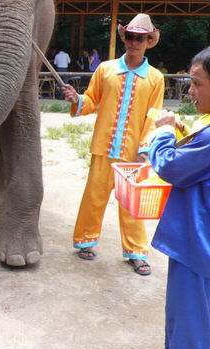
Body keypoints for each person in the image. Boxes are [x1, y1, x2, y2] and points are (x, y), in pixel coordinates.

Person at [61, 13, 164, 276]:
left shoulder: (155, 78)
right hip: (103, 148)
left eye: (139, 37)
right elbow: (91, 100)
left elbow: (153, 116)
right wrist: (77, 99)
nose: (133, 42)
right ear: (124, 38)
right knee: (94, 196)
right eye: (129, 36)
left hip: (133, 153)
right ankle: (85, 240)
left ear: (148, 40)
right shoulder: (105, 69)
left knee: (131, 204)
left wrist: (144, 148)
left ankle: (137, 252)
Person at [148, 47, 210, 349]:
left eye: (197, 84)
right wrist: (183, 129)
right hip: (193, 239)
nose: (190, 92)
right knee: (183, 313)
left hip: (197, 242)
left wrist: (164, 134)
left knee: (191, 319)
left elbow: (172, 166)